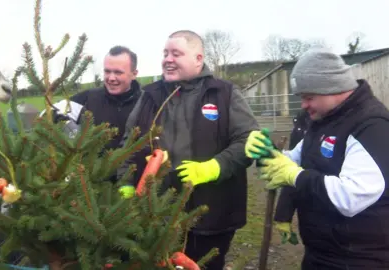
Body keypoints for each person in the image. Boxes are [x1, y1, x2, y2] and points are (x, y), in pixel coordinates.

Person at [117, 30, 259, 270]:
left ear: (198, 59)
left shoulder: (223, 93)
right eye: (165, 53)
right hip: (156, 215)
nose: (168, 59)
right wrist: (126, 184)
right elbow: (129, 143)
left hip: (211, 215)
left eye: (176, 53)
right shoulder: (150, 96)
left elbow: (249, 139)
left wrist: (214, 167)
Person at [245, 48, 389, 269]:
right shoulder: (323, 121)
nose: (303, 105)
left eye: (308, 97)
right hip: (321, 251)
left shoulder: (372, 125)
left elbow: (351, 197)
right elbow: (293, 161)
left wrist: (296, 176)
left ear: (333, 88)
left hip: (359, 259)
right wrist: (268, 153)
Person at [49, 45, 143, 183]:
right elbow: (48, 112)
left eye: (118, 72)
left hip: (132, 185)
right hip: (91, 187)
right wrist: (72, 130)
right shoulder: (88, 98)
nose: (111, 78)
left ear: (134, 73)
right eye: (107, 71)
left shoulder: (146, 103)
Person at [273, 109, 310, 244]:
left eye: (309, 97)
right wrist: (283, 215)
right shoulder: (303, 119)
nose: (305, 103)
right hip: (312, 223)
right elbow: (294, 162)